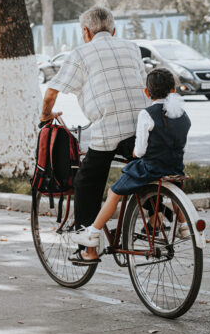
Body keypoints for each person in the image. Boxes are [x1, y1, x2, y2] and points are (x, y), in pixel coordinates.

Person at [40, 6, 149, 255]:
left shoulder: (80, 53)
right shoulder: (132, 48)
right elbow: (144, 86)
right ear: (114, 30)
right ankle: (154, 216)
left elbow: (52, 91)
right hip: (144, 127)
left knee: (86, 182)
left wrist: (45, 115)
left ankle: (86, 248)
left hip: (109, 130)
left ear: (85, 32)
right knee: (143, 167)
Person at [72, 68, 191, 264]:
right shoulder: (182, 114)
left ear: (147, 92)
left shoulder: (147, 114)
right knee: (175, 187)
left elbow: (140, 151)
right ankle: (184, 226)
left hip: (150, 168)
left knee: (114, 192)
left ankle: (92, 233)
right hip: (175, 167)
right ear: (173, 90)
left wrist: (134, 154)